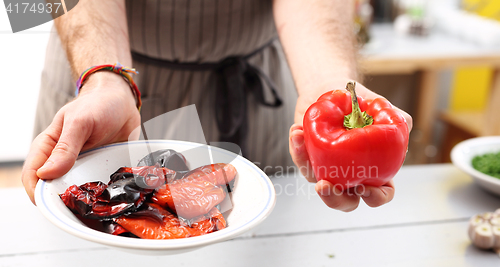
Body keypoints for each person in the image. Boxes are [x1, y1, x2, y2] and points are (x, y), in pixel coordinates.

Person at [22, 0, 412, 212]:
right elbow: (32, 5)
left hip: (261, 75)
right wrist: (105, 78)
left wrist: (330, 91)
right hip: (101, 78)